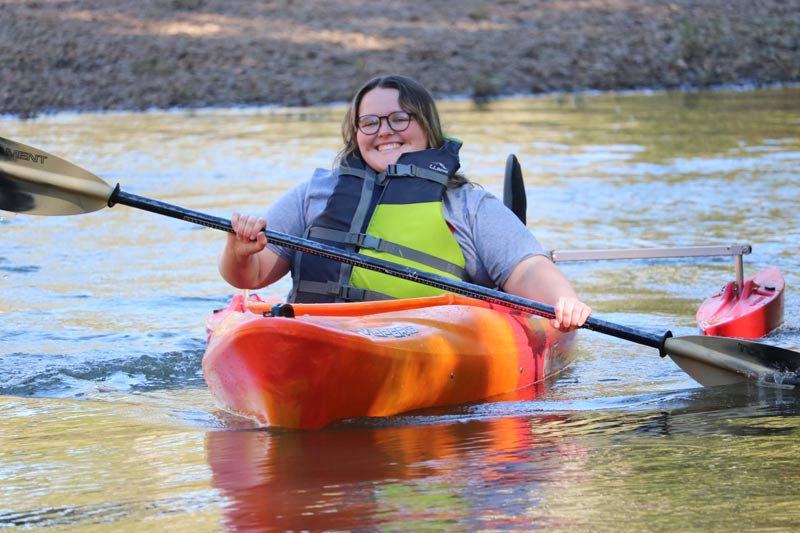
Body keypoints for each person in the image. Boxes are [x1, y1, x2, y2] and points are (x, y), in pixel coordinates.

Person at [218, 75, 592, 331]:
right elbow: (250, 277)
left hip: (427, 340)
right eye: (370, 122)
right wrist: (239, 250)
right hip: (319, 329)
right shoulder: (313, 194)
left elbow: (525, 268)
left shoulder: (468, 206)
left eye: (399, 118)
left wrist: (564, 301)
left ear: (427, 126)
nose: (384, 131)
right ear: (356, 134)